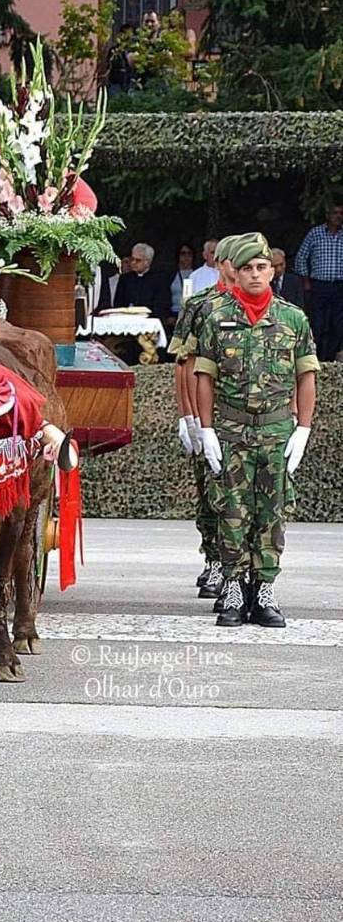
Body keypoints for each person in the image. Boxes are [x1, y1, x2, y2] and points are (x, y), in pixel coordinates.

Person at [195, 234, 318, 628]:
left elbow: (306, 375)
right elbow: (204, 377)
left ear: (272, 270)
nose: (254, 274)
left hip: (277, 430)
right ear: (237, 271)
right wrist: (206, 429)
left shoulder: (293, 318)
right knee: (231, 511)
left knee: (271, 515)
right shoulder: (216, 318)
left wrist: (303, 428)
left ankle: (263, 591)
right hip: (231, 430)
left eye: (261, 267)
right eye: (246, 268)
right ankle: (233, 589)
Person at [169, 235, 239, 599]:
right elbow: (185, 364)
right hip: (207, 415)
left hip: (243, 417)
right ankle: (213, 559)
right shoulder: (199, 305)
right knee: (210, 491)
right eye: (235, 262)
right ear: (221, 265)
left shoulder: (266, 307)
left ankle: (239, 573)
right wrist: (189, 417)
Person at [294, 199, 343, 361]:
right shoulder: (315, 233)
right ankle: (315, 357)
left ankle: (331, 358)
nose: (338, 216)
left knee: (338, 323)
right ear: (328, 215)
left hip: (339, 286)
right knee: (318, 322)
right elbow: (301, 257)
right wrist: (306, 280)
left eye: (341, 213)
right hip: (319, 285)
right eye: (335, 213)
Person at [113, 243, 170, 321]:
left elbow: (161, 305)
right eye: (132, 259)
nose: (133, 262)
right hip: (125, 320)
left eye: (138, 260)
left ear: (148, 262)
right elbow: (118, 303)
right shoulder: (125, 279)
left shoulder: (159, 280)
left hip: (150, 321)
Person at [169, 241, 196, 316]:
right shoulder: (170, 275)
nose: (186, 256)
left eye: (189, 253)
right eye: (183, 253)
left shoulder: (198, 275)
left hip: (193, 313)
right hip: (175, 312)